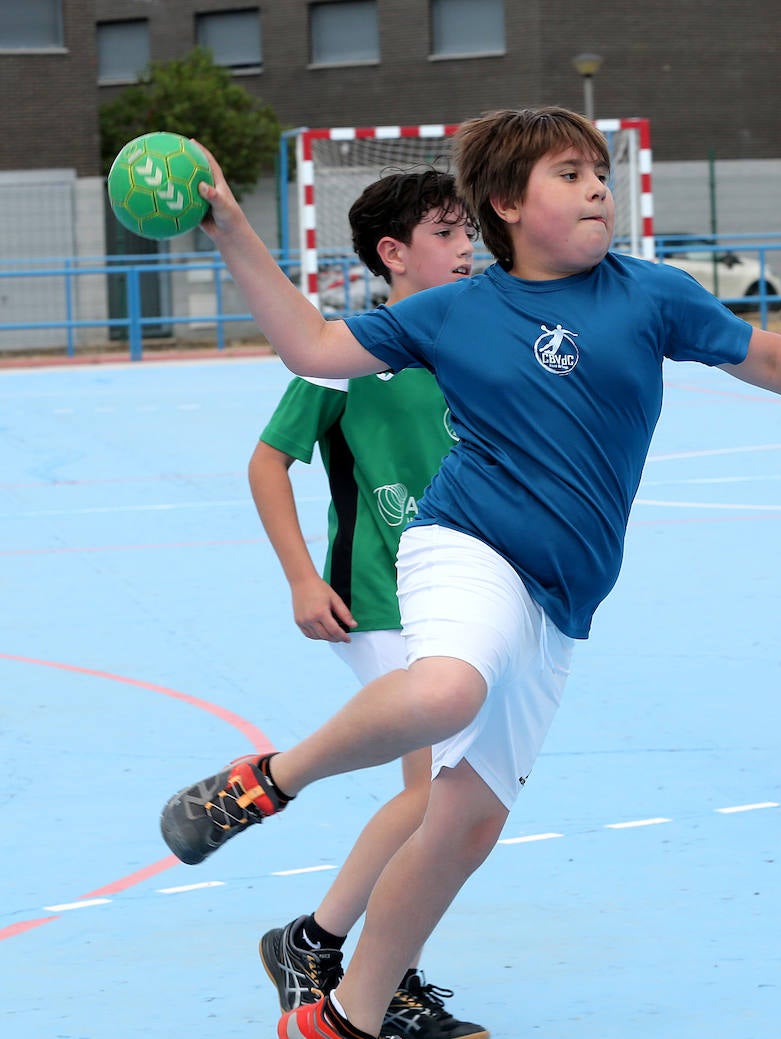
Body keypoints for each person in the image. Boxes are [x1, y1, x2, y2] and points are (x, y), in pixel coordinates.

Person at [159, 106, 781, 1039]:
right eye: (569, 173)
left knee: (465, 826)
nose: (597, 188)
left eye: (599, 172)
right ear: (507, 204)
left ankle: (344, 1017)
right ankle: (263, 781)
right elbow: (310, 347)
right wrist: (232, 228)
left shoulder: (651, 294)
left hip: (559, 600)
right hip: (465, 542)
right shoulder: (455, 310)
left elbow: (773, 357)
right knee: (446, 691)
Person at [247, 170, 486, 1039]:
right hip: (378, 597)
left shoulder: (474, 338)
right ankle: (330, 950)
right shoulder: (349, 355)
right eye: (447, 233)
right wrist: (302, 578)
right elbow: (268, 462)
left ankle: (343, 954)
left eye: (468, 232)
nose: (467, 248)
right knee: (435, 793)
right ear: (394, 253)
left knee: (457, 798)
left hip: (464, 591)